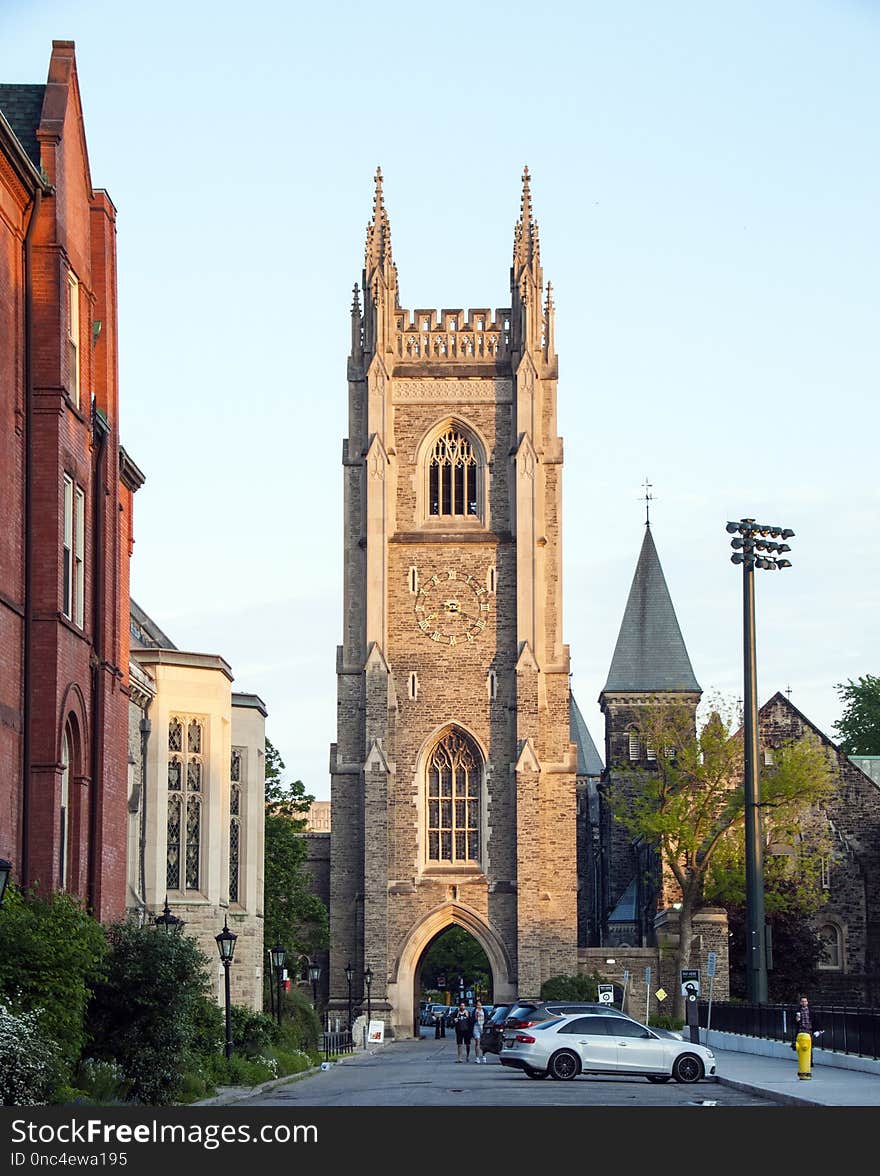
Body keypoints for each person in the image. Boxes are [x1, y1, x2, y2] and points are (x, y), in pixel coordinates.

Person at [793, 994, 822, 1080]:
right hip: (801, 1030)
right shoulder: (797, 1011)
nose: (804, 1002)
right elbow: (793, 1021)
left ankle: (810, 1062)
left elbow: (815, 1020)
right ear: (800, 1002)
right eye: (802, 1001)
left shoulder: (811, 1011)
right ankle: (804, 1063)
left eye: (805, 1001)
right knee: (802, 1047)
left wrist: (818, 1030)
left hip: (809, 1030)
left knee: (809, 1047)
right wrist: (796, 1019)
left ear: (807, 1002)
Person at [472, 999, 486, 1063]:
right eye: (477, 1005)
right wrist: (476, 1016)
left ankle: (483, 1056)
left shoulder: (484, 1011)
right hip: (476, 1026)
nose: (479, 1006)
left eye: (480, 1005)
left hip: (482, 1026)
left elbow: (487, 1018)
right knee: (477, 1041)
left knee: (483, 1042)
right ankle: (477, 1057)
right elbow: (472, 1020)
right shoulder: (474, 1011)